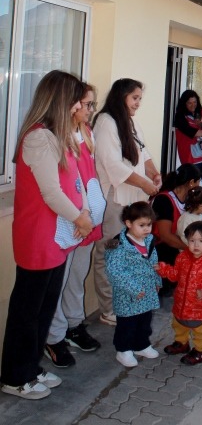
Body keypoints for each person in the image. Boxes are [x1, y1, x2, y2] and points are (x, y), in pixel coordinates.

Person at [0, 71, 94, 400]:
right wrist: (80, 218)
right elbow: (51, 193)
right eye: (77, 101)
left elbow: (75, 182)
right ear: (61, 100)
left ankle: (31, 366)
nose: (80, 107)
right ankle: (14, 376)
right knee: (27, 311)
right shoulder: (38, 138)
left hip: (57, 236)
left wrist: (83, 214)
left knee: (44, 308)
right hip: (39, 236)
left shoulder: (59, 135)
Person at [45, 83, 105, 368]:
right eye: (87, 104)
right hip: (71, 220)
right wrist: (79, 217)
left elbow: (90, 175)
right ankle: (54, 336)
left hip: (88, 220)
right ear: (72, 104)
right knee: (59, 281)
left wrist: (90, 216)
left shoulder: (86, 132)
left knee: (77, 276)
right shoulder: (57, 135)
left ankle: (73, 324)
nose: (90, 109)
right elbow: (64, 183)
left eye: (92, 104)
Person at [93, 79, 162, 327]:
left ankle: (127, 301)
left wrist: (153, 173)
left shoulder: (129, 121)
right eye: (135, 98)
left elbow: (143, 153)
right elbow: (113, 165)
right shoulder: (106, 122)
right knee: (109, 253)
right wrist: (144, 184)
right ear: (121, 96)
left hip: (132, 198)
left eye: (140, 98)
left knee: (128, 252)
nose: (138, 103)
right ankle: (108, 308)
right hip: (115, 198)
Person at [158, 221, 202, 365]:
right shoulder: (182, 257)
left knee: (200, 331)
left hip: (200, 308)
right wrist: (163, 269)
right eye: (192, 241)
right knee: (179, 324)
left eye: (201, 241)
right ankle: (181, 343)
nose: (196, 245)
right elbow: (175, 275)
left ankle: (199, 351)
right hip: (181, 303)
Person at [104, 202, 161, 368]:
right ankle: (123, 350)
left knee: (144, 321)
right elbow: (115, 272)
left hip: (147, 292)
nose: (146, 229)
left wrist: (157, 281)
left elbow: (154, 263)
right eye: (141, 225)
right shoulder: (119, 246)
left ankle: (141, 345)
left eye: (149, 225)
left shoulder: (149, 240)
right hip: (128, 296)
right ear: (128, 223)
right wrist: (134, 289)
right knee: (127, 324)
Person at [152, 164, 202, 294]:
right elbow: (165, 236)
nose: (199, 185)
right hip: (161, 249)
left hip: (178, 246)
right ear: (191, 183)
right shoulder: (164, 200)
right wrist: (190, 250)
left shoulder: (190, 199)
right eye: (198, 182)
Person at [174, 89, 202, 187]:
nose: (193, 105)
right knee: (191, 185)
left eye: (195, 102)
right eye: (189, 103)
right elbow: (189, 131)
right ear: (184, 103)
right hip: (191, 157)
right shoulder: (180, 117)